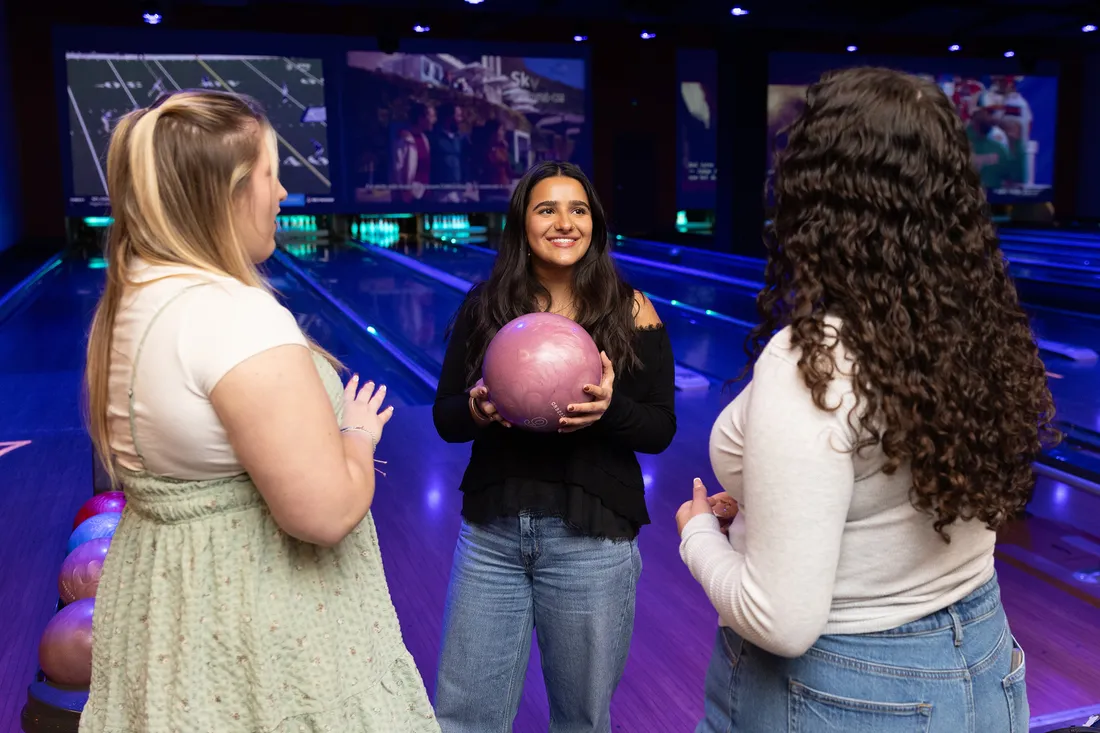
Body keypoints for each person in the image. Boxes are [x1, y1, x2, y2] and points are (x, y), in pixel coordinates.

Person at [676, 67, 1058, 733]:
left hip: (846, 692)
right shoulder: (979, 324)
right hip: (985, 659)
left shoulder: (815, 360)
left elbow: (782, 618)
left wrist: (698, 533)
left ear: (818, 192)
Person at [80, 90, 439, 733]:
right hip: (264, 621)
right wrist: (356, 435)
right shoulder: (233, 315)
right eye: (274, 176)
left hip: (174, 614)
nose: (283, 197)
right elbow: (323, 514)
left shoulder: (131, 299)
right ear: (232, 190)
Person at [432, 160, 677, 732]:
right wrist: (478, 408)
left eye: (578, 209)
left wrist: (607, 410)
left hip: (591, 538)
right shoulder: (486, 306)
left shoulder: (632, 308)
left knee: (581, 722)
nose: (564, 222)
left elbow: (660, 430)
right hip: (492, 534)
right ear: (523, 223)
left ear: (594, 224)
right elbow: (446, 417)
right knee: (464, 717)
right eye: (547, 208)